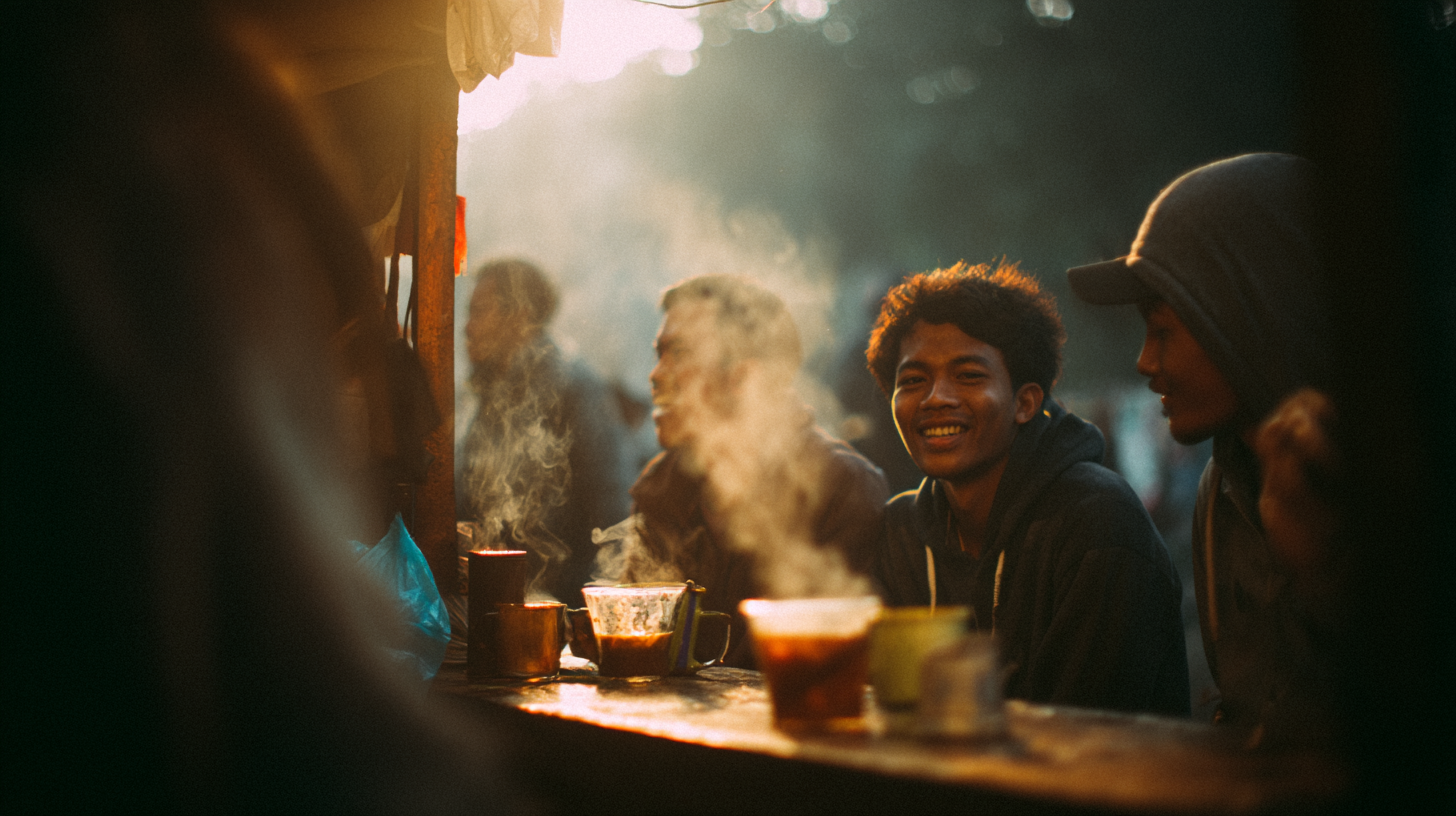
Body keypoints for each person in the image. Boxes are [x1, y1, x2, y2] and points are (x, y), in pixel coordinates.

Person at [1066, 152, 1337, 742]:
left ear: (1250, 311)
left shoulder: (1388, 477)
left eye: (1162, 329)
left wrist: (1326, 573)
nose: (1144, 361)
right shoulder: (1226, 481)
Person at [867, 261, 1190, 716]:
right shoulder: (900, 533)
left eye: (969, 376)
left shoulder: (1098, 523)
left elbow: (1085, 736)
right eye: (913, 380)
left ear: (1025, 403)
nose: (936, 397)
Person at [616, 275, 890, 668]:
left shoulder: (839, 488)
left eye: (678, 353)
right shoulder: (663, 487)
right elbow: (635, 643)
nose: (655, 375)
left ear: (748, 376)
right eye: (658, 354)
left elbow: (821, 666)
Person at [456, 258, 631, 608]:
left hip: (556, 613)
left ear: (519, 316)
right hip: (497, 607)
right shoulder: (492, 394)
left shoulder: (576, 388)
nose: (467, 328)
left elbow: (611, 515)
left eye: (479, 311)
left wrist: (585, 618)